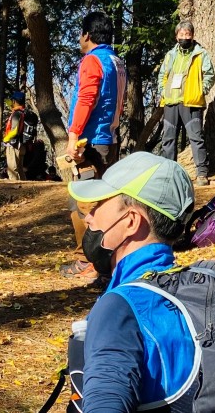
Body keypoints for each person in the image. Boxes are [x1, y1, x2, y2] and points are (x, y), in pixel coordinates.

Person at [65, 152, 199, 410]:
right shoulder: (191, 290)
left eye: (99, 204)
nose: (89, 217)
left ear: (130, 221)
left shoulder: (121, 308)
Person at [61, 11, 128, 281]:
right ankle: (105, 260)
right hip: (109, 139)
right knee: (103, 200)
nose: (80, 39)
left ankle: (88, 261)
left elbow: (86, 99)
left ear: (87, 35)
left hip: (90, 141)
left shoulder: (92, 60)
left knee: (82, 204)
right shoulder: (117, 61)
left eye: (81, 34)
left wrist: (73, 135)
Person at [157, 20, 215, 186]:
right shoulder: (170, 55)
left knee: (196, 138)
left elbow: (209, 75)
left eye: (187, 34)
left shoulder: (200, 54)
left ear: (192, 36)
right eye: (181, 34)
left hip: (191, 102)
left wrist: (200, 91)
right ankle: (169, 173)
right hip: (171, 101)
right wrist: (163, 91)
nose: (184, 37)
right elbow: (162, 75)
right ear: (176, 37)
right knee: (168, 139)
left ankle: (202, 173)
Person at [3, 91, 39, 179]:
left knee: (12, 170)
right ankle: (23, 186)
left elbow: (14, 131)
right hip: (22, 145)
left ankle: (14, 187)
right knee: (20, 169)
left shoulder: (16, 114)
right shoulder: (25, 112)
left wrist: (5, 139)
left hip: (14, 145)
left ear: (14, 101)